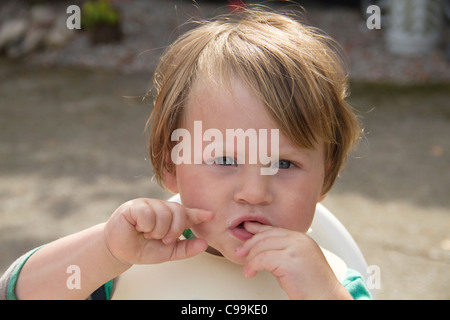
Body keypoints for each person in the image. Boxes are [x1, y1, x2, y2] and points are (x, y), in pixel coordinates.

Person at [0, 7, 371, 300]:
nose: (255, 192)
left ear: (327, 175)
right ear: (170, 165)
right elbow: (16, 293)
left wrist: (323, 293)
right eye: (225, 160)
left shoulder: (334, 281)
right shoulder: (122, 266)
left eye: (284, 163)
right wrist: (107, 250)